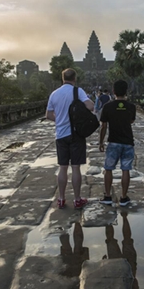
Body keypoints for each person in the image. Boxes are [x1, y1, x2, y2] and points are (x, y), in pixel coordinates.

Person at [46, 68, 94, 210]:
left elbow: (48, 115)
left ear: (62, 78)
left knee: (62, 167)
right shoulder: (77, 91)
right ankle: (77, 199)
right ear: (75, 78)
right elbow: (90, 106)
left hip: (60, 135)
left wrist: (60, 120)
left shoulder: (54, 94)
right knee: (75, 167)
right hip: (75, 135)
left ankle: (61, 199)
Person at [99, 80, 136, 206]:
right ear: (126, 91)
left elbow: (103, 126)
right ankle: (124, 197)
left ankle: (108, 196)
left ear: (113, 91)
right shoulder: (131, 107)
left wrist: (101, 142)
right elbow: (131, 121)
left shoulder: (108, 107)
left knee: (108, 169)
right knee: (126, 170)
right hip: (127, 142)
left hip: (113, 142)